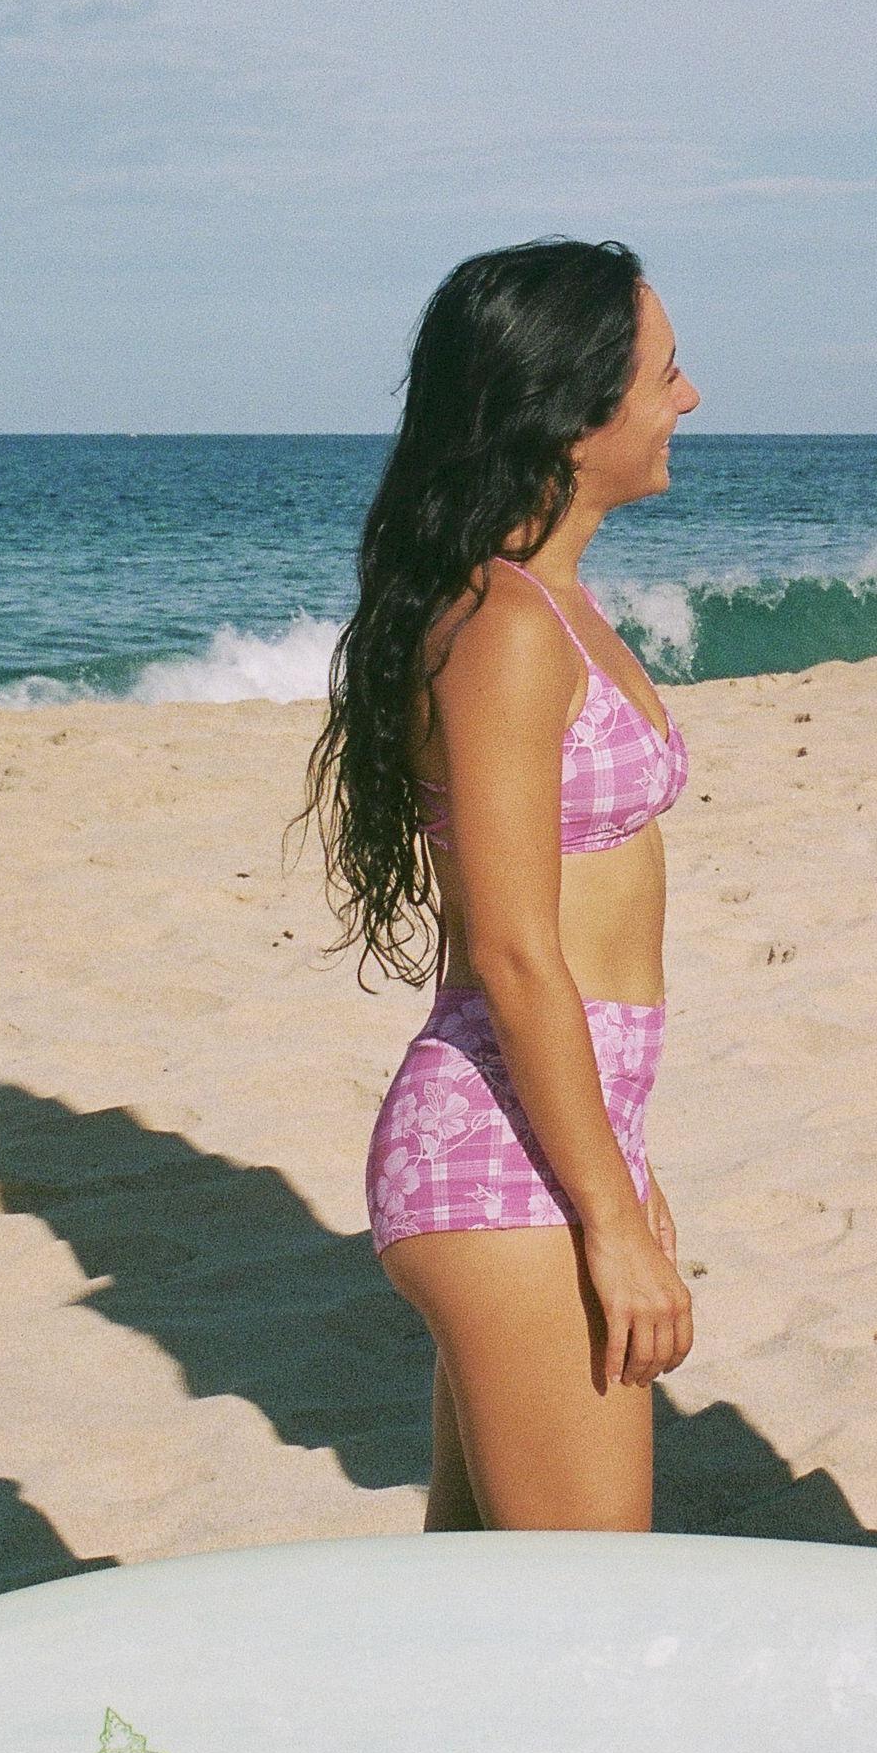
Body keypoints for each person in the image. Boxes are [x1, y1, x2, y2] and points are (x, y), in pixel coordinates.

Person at [309, 238, 705, 1534]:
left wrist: (620, 1167)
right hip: (499, 1158)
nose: (687, 398)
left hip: (545, 1130)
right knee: (586, 1610)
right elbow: (515, 954)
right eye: (663, 373)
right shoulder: (505, 627)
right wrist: (610, 1217)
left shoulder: (547, 600)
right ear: (573, 413)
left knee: (482, 1595)